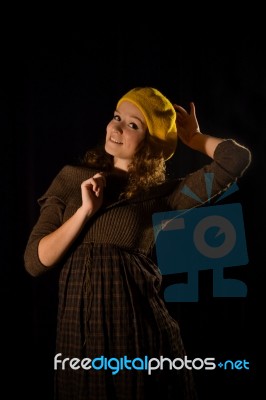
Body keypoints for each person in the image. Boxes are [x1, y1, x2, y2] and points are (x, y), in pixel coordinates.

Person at [24, 87, 251, 400]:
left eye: (133, 125)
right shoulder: (71, 178)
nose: (116, 127)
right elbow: (35, 262)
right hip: (78, 338)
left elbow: (235, 160)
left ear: (151, 144)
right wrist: (85, 212)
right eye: (117, 117)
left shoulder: (166, 196)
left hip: (138, 334)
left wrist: (195, 138)